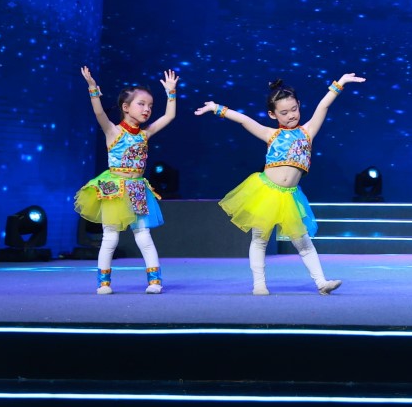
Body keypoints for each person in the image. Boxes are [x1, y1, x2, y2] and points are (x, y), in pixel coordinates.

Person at [197, 74, 365, 294]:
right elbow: (245, 120)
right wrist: (216, 108)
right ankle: (259, 284)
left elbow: (323, 106)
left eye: (294, 109)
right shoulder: (271, 134)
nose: (291, 115)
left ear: (299, 105)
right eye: (284, 113)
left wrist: (340, 83)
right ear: (272, 114)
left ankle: (321, 282)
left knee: (303, 242)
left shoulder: (307, 132)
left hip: (290, 196)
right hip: (266, 192)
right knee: (260, 239)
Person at [74, 67, 179, 294]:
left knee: (143, 236)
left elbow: (169, 116)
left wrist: (171, 92)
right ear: (125, 107)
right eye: (141, 104)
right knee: (110, 237)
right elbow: (99, 113)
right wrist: (93, 89)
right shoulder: (113, 132)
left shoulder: (144, 134)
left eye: (150, 105)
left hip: (137, 187)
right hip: (114, 187)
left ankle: (154, 281)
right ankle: (103, 283)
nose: (147, 109)